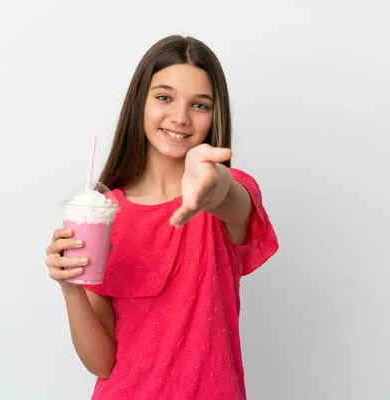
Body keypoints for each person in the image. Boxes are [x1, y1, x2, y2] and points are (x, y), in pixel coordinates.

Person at [45, 35, 279, 400]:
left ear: (215, 116)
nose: (180, 117)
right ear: (141, 102)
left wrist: (207, 181)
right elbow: (103, 364)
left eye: (200, 105)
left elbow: (225, 195)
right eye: (164, 97)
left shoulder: (228, 192)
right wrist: (71, 289)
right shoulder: (104, 213)